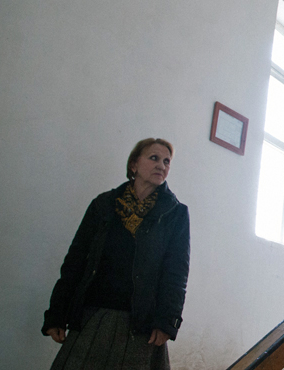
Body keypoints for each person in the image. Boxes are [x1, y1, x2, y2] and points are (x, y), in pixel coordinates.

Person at [43, 138, 190, 370]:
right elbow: (75, 261)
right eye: (153, 158)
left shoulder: (175, 214)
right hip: (93, 317)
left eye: (166, 161)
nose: (161, 165)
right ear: (133, 165)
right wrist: (57, 315)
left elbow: (176, 273)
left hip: (141, 325)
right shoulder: (103, 205)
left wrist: (166, 323)